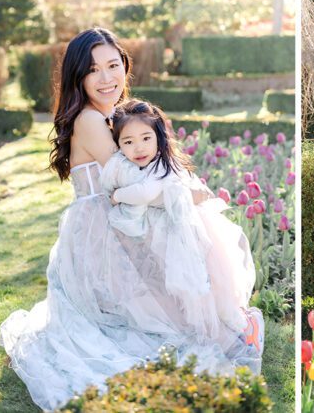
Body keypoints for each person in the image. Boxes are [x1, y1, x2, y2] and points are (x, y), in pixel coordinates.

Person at [0, 28, 260, 410]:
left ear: (124, 65)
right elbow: (135, 180)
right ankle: (220, 323)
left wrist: (188, 194)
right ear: (78, 77)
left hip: (121, 223)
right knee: (192, 217)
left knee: (193, 217)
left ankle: (222, 321)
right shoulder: (90, 120)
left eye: (112, 65)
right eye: (93, 70)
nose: (106, 79)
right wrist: (191, 196)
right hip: (101, 239)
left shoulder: (115, 116)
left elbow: (152, 173)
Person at [104, 99, 263, 351]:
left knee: (211, 287)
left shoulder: (162, 166)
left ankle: (244, 326)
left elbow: (145, 193)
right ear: (119, 144)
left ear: (158, 137)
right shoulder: (132, 166)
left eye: (146, 138)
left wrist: (117, 195)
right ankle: (210, 329)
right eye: (128, 142)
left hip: (195, 233)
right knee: (184, 290)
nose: (138, 148)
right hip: (174, 234)